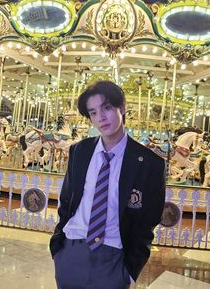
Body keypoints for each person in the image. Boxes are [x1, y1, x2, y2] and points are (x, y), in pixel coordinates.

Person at [50, 80, 166, 289]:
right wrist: (58, 249)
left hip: (114, 258)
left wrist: (130, 271)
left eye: (107, 108)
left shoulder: (149, 163)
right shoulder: (80, 151)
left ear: (122, 108)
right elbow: (67, 201)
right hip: (71, 251)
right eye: (93, 112)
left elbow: (148, 220)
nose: (101, 118)